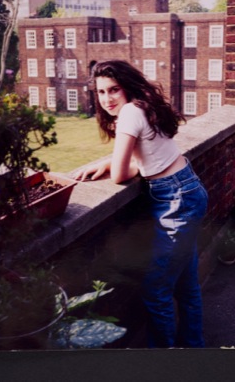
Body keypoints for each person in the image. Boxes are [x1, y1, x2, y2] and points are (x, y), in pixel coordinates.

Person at [74, 60, 208, 348]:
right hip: (186, 188)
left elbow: (121, 174)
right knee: (185, 284)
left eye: (114, 90)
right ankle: (194, 346)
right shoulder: (143, 105)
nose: (107, 98)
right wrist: (112, 161)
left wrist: (112, 163)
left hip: (176, 201)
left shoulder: (129, 113)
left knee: (156, 289)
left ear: (127, 87)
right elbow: (145, 159)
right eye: (100, 92)